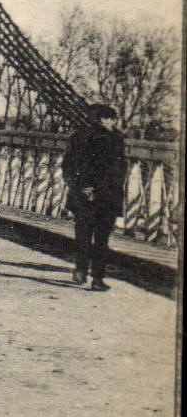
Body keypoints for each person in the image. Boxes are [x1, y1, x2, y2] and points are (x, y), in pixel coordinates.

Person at [63, 103, 126, 291]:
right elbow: (118, 169)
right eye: (111, 118)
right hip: (107, 194)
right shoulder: (115, 139)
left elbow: (69, 165)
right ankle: (97, 278)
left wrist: (79, 186)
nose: (113, 122)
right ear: (103, 119)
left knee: (82, 234)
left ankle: (81, 270)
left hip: (85, 193)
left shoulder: (78, 136)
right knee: (102, 238)